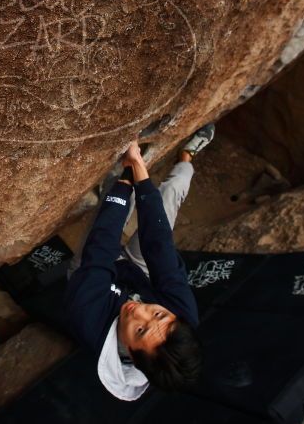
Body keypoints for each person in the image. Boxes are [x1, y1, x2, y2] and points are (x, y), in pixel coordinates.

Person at [64, 124, 215, 401]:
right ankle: (186, 158)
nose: (139, 312)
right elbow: (159, 246)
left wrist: (126, 179)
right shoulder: (183, 315)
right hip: (137, 271)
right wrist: (139, 171)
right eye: (158, 314)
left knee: (116, 204)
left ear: (131, 354)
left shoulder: (89, 319)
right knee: (168, 196)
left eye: (140, 330)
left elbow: (101, 249)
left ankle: (121, 178)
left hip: (93, 276)